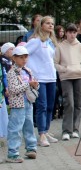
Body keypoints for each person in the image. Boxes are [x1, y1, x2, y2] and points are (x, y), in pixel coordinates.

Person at [54, 23, 81, 140]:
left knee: (78, 103)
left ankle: (75, 129)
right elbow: (55, 63)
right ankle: (66, 130)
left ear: (76, 33)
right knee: (68, 103)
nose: (72, 34)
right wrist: (64, 69)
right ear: (66, 33)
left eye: (74, 32)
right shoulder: (60, 46)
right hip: (66, 78)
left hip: (79, 77)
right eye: (70, 32)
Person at [26, 16, 58, 146]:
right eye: (48, 23)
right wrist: (30, 72)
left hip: (51, 77)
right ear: (41, 25)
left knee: (51, 106)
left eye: (52, 24)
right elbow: (23, 54)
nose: (51, 26)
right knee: (42, 106)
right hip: (40, 78)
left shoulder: (51, 42)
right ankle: (41, 134)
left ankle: (46, 130)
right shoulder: (36, 41)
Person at [5, 46, 39, 163]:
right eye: (21, 57)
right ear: (14, 58)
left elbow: (34, 83)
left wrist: (35, 85)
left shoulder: (27, 70)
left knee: (29, 125)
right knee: (16, 128)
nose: (24, 60)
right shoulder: (11, 73)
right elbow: (13, 89)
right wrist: (28, 84)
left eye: (26, 57)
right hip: (18, 104)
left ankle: (31, 148)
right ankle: (12, 153)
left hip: (28, 102)